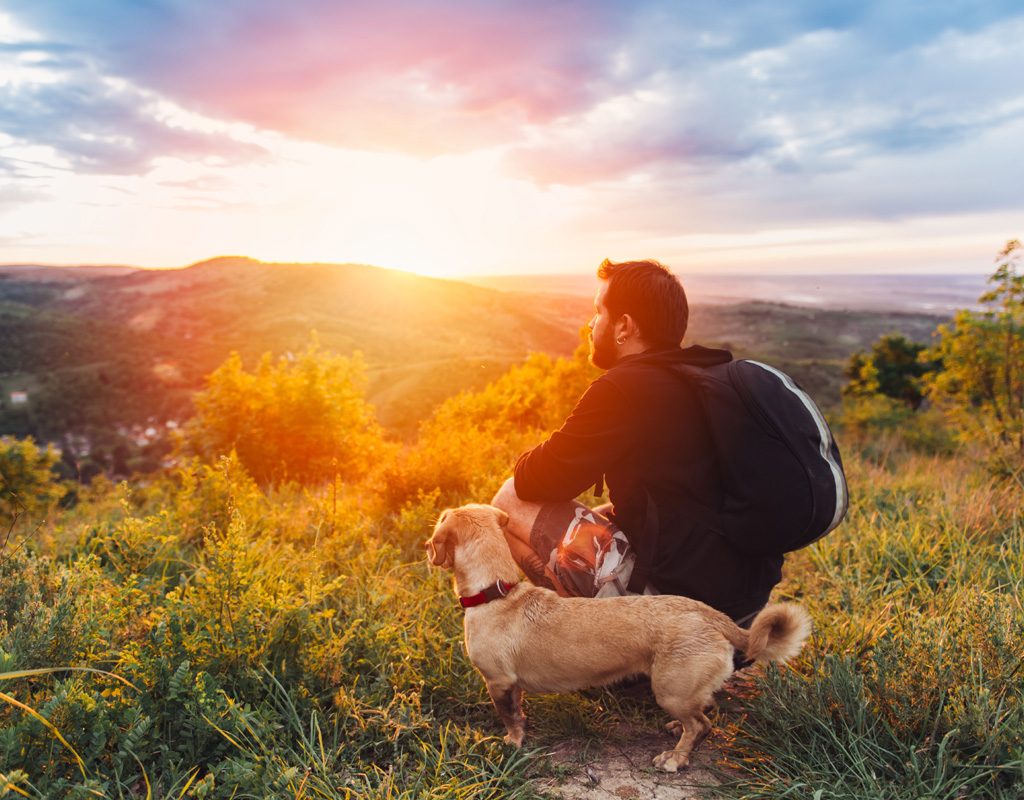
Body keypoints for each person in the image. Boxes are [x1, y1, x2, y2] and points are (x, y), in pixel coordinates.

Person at [491, 259, 783, 627]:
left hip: (680, 622)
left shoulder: (624, 388)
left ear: (624, 327)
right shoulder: (703, 377)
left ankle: (605, 657)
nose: (590, 324)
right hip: (742, 615)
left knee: (507, 501)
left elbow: (532, 482)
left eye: (598, 312)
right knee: (603, 515)